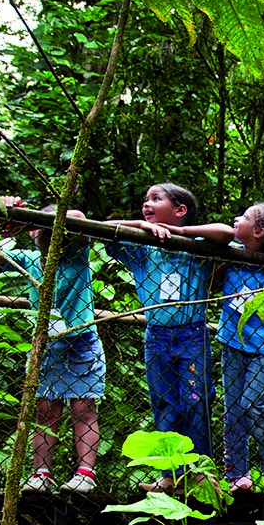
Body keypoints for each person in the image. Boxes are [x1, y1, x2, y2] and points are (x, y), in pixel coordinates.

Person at [0, 203, 105, 493]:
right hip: (46, 345)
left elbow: (80, 219)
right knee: (45, 410)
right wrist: (1, 219)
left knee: (83, 407)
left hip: (80, 342)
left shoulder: (76, 253)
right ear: (29, 231)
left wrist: (47, 222)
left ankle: (85, 474)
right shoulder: (29, 259)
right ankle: (41, 474)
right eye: (36, 226)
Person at [105, 183, 226, 490]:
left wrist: (181, 234)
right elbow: (104, 230)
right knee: (163, 402)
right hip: (156, 336)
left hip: (192, 335)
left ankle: (200, 470)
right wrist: (144, 227)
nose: (146, 203)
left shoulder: (197, 243)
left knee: (195, 401)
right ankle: (170, 475)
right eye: (145, 199)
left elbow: (227, 233)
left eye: (155, 199)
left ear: (180, 210)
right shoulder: (141, 247)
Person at [208, 203, 264, 492]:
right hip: (232, 340)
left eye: (245, 217)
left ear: (259, 232)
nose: (237, 218)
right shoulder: (230, 250)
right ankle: (237, 473)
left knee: (252, 405)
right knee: (233, 408)